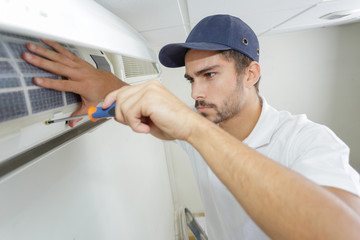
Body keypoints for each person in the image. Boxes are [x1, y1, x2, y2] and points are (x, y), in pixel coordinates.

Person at [22, 14, 360, 239]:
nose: (196, 93)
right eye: (191, 78)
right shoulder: (204, 123)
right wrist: (95, 85)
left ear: (251, 73)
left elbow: (345, 231)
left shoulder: (304, 140)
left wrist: (194, 129)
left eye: (210, 75)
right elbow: (126, 95)